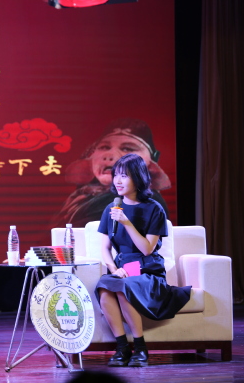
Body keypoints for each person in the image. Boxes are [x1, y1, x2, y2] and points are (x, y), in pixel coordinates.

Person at [94, 153, 191, 367]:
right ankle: (122, 348)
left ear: (137, 178)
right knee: (104, 287)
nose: (118, 181)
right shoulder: (110, 209)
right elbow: (104, 248)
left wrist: (127, 222)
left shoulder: (154, 209)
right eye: (116, 175)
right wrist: (113, 269)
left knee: (124, 287)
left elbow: (147, 249)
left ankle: (140, 348)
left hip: (148, 270)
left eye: (124, 176)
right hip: (123, 270)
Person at [53, 118, 171, 228]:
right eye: (104, 147)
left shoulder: (143, 200)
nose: (109, 155)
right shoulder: (82, 196)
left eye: (127, 149)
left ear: (150, 162)